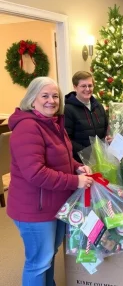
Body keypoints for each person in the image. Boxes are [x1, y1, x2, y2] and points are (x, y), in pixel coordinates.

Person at [7, 77, 94, 286]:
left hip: (54, 204)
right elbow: (35, 173)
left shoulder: (53, 123)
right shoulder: (27, 127)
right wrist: (75, 181)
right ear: (32, 99)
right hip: (34, 209)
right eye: (44, 95)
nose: (51, 100)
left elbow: (62, 156)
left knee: (48, 256)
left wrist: (76, 166)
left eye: (55, 96)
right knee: (38, 262)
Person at [64, 71, 109, 162]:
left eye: (90, 85)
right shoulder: (68, 109)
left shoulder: (98, 106)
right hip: (81, 161)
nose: (87, 89)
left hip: (101, 158)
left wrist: (108, 139)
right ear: (75, 87)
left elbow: (105, 130)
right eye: (83, 86)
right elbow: (67, 139)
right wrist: (88, 153)